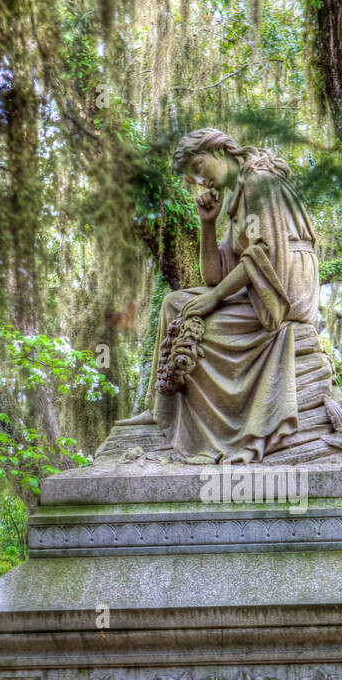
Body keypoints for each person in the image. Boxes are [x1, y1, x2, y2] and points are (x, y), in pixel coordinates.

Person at [121, 128, 322, 464]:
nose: (199, 180)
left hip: (286, 286)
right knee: (174, 303)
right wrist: (208, 224)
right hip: (264, 281)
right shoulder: (237, 197)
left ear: (220, 150)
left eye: (198, 166)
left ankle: (192, 423)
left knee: (193, 311)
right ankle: (158, 407)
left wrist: (213, 301)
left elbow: (265, 252)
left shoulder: (258, 182)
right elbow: (215, 277)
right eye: (191, 177)